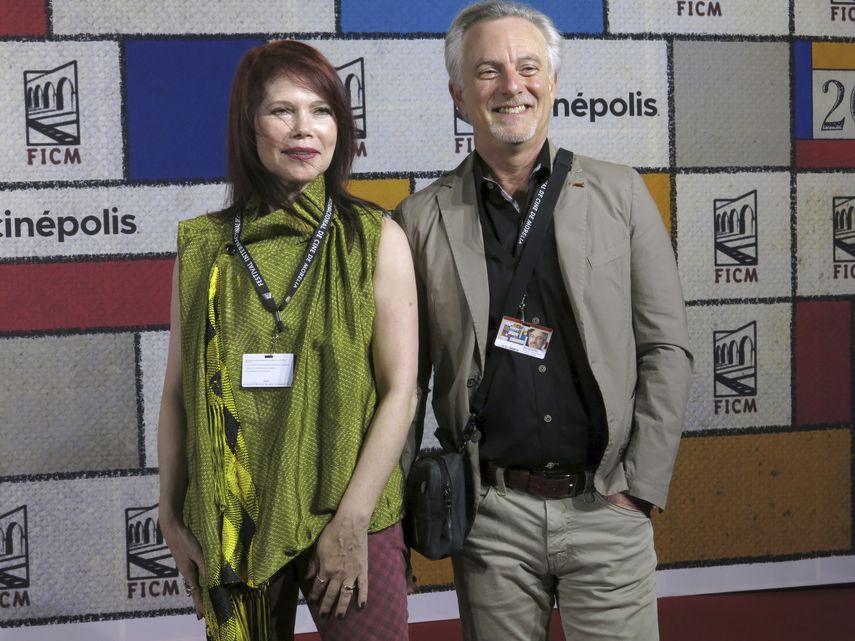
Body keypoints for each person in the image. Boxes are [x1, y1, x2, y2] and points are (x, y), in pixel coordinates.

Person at [394, 3, 692, 640]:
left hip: (608, 503)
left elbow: (666, 347)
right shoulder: (418, 220)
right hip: (491, 516)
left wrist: (641, 486)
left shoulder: (622, 194)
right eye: (488, 71)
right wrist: (393, 518)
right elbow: (402, 383)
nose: (512, 85)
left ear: (552, 83)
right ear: (458, 94)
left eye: (529, 68)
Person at [157, 40, 418, 641]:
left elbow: (400, 393)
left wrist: (352, 521)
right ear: (248, 126)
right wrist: (170, 514)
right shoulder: (202, 248)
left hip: (350, 508)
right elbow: (175, 394)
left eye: (321, 110)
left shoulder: (374, 239)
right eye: (282, 110)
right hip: (231, 517)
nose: (305, 129)